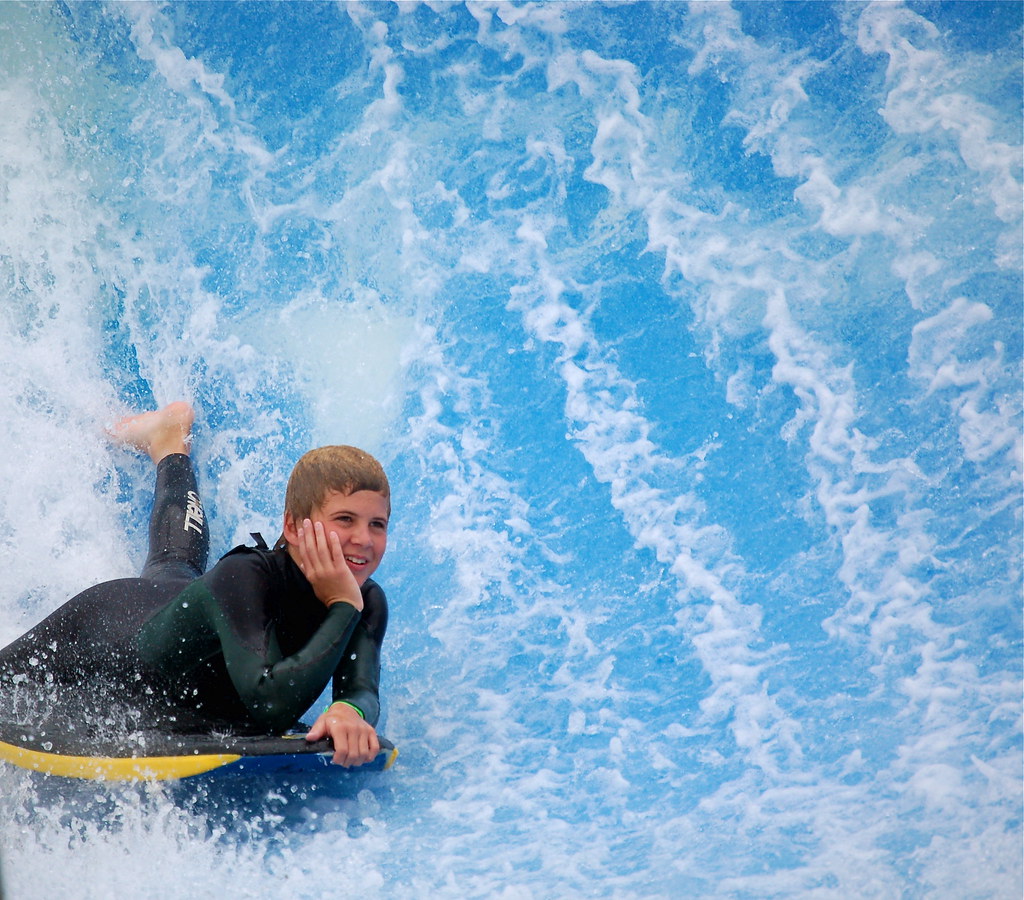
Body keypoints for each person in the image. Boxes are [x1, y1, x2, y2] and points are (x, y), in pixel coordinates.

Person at [0, 402, 389, 767]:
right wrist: (341, 607)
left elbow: (361, 687)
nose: (364, 540)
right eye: (344, 520)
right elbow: (269, 706)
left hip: (185, 605)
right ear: (292, 526)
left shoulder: (364, 599)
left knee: (174, 563)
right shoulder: (248, 578)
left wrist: (348, 710)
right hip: (109, 629)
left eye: (377, 525)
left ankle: (169, 442)